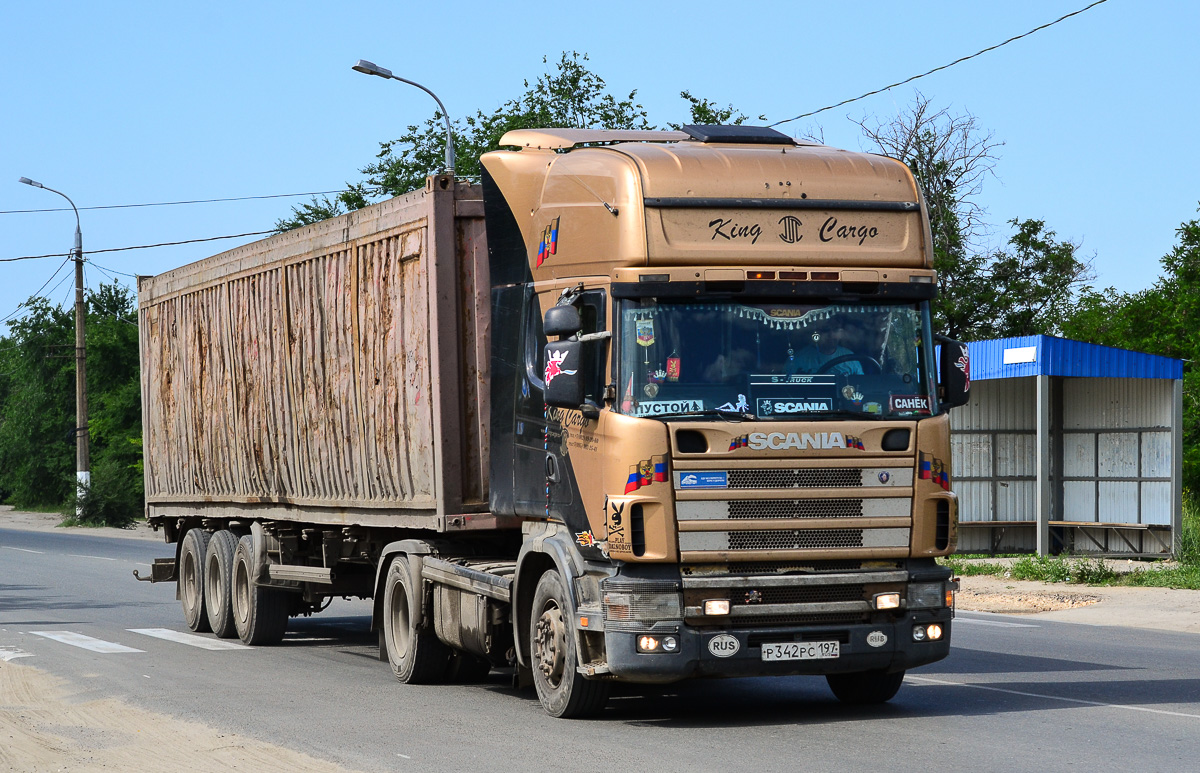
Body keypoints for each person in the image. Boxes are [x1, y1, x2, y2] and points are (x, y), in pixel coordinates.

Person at [789, 321, 863, 375]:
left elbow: (861, 386)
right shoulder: (798, 359)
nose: (831, 335)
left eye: (835, 330)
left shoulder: (851, 358)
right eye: (825, 330)